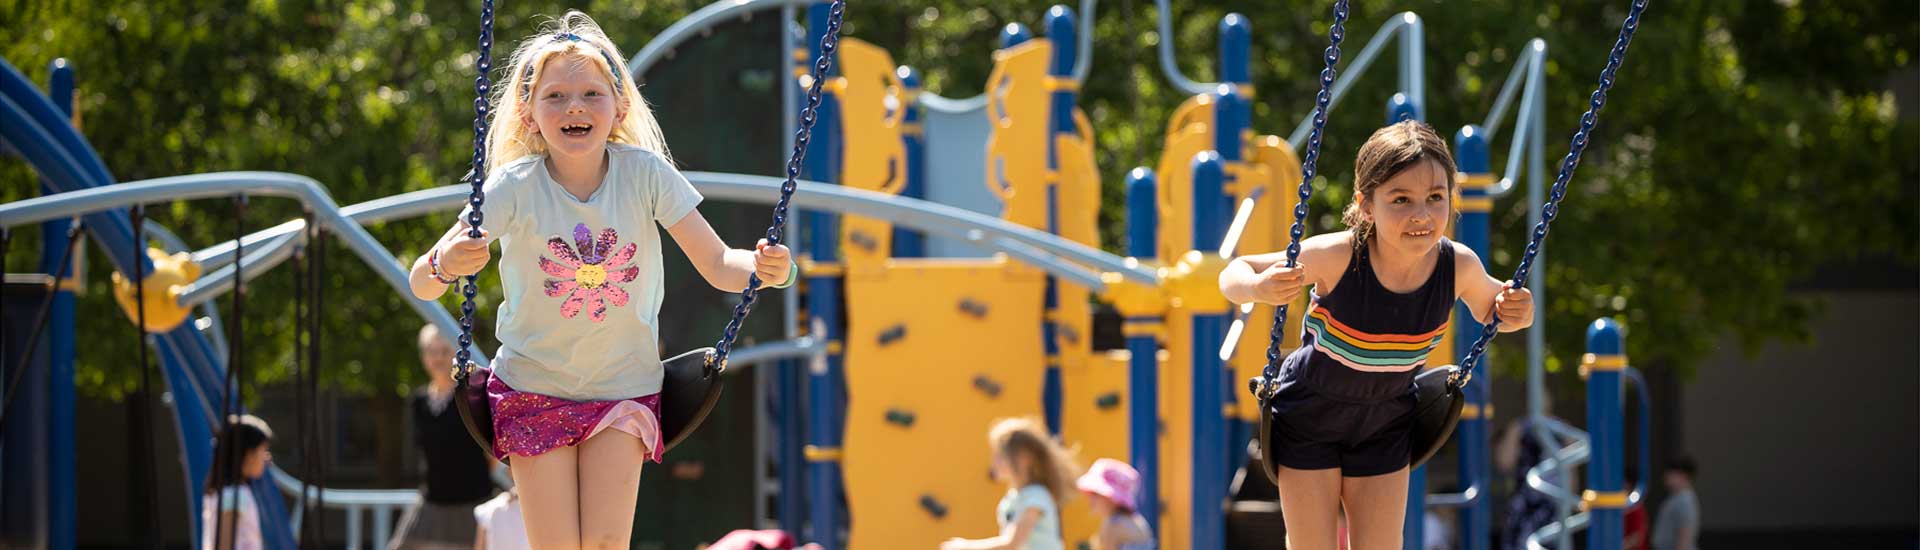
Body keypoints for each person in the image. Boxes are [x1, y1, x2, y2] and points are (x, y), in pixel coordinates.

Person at [408, 11, 794, 547]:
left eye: (591, 93)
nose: (575, 107)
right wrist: (446, 265)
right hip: (532, 385)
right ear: (528, 114)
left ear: (619, 107)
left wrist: (764, 267)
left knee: (608, 544)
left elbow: (718, 264)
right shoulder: (512, 187)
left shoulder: (645, 175)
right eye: (556, 96)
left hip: (624, 387)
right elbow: (421, 281)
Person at [1218, 120, 1535, 549]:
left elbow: (1497, 309)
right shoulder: (1337, 256)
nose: (1421, 215)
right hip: (1309, 414)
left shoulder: (1457, 266)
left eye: (1435, 198)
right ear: (1366, 205)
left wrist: (1520, 309)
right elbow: (1232, 273)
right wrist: (1258, 288)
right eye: (1401, 199)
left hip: (1385, 422)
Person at [389, 324, 496, 549]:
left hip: (472, 502)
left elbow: (492, 452)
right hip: (431, 502)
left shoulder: (471, 398)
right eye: (431, 351)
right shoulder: (419, 402)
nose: (437, 358)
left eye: (444, 351)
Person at [941, 418, 1076, 550]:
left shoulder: (1036, 495)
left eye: (1000, 456)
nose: (994, 461)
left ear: (1024, 459)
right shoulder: (1015, 495)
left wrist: (966, 547)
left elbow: (1012, 543)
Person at [203, 414, 273, 550]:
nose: (267, 457)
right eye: (263, 450)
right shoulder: (234, 495)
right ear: (247, 454)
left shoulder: (226, 492)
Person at [1076, 458, 1154, 550]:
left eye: (1095, 494)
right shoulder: (1138, 521)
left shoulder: (1112, 525)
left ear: (1111, 498)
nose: (1090, 499)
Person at [1651, 456, 1700, 550]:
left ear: (1683, 476)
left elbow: (1685, 534)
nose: (1665, 477)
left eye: (1671, 474)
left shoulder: (1684, 501)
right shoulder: (1675, 498)